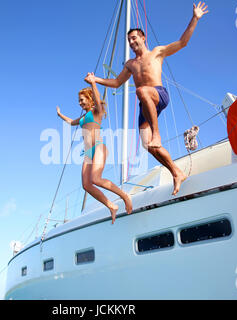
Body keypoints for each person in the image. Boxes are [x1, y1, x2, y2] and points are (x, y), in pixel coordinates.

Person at [87, 2, 209, 196]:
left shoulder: (157, 52)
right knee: (148, 146)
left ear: (143, 38)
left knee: (142, 91)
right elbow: (117, 82)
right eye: (129, 40)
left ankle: (157, 134)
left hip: (158, 94)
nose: (132, 42)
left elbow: (182, 42)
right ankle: (176, 172)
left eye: (135, 38)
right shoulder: (130, 64)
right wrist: (96, 79)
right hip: (145, 103)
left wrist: (195, 17)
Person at [56, 73, 132, 224]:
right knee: (86, 185)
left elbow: (98, 100)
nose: (79, 103)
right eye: (79, 101)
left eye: (81, 100)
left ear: (89, 99)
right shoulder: (83, 118)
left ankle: (124, 196)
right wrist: (60, 115)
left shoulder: (96, 112)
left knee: (96, 179)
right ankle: (111, 206)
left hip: (98, 147)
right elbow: (71, 122)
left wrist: (93, 83)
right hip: (88, 153)